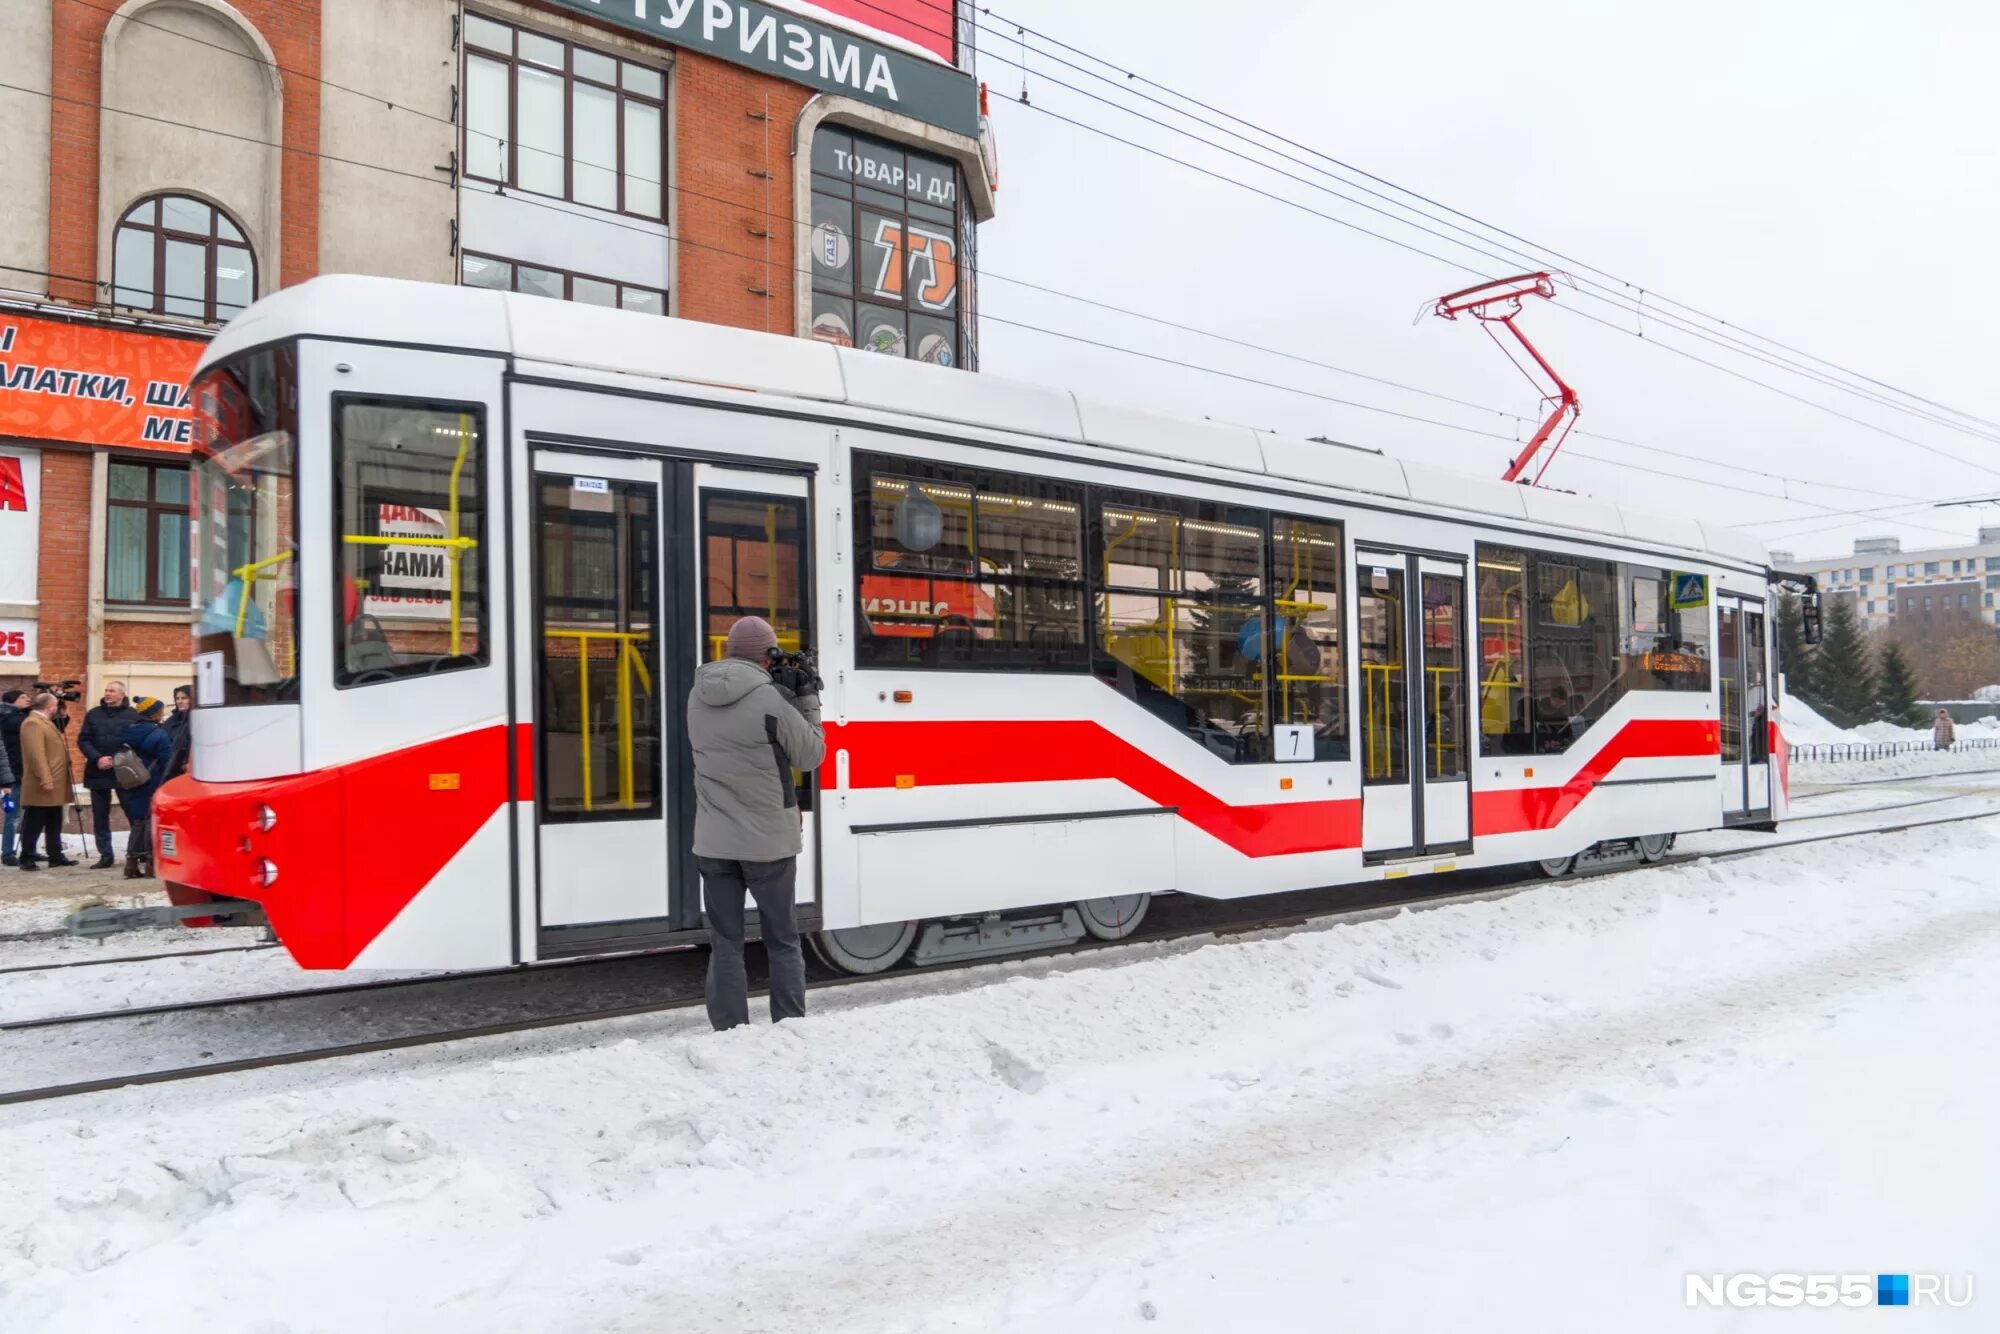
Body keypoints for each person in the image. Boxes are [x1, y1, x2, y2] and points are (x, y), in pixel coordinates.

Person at [685, 615, 826, 1032]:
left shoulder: (697, 695)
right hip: (768, 845)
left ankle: (728, 1030)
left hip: (713, 844)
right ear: (768, 655)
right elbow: (811, 755)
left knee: (725, 943)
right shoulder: (770, 701)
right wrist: (807, 700)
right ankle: (788, 1027)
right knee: (782, 941)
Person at [76, 680, 138, 869]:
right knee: (100, 815)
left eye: (112, 691)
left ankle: (136, 852)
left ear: (122, 694)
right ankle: (105, 855)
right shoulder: (94, 714)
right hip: (98, 770)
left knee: (133, 813)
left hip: (124, 770)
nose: (108, 694)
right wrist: (97, 758)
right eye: (106, 690)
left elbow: (136, 741)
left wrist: (116, 758)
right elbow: (84, 739)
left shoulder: (133, 715)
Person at [116, 697, 175, 879]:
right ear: (154, 713)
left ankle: (131, 863)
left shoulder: (128, 731)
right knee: (150, 821)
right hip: (153, 781)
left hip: (134, 781)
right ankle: (151, 863)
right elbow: (168, 761)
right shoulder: (159, 734)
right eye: (160, 710)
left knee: (138, 822)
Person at [18, 692, 76, 870]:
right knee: (34, 820)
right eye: (55, 704)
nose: (56, 707)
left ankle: (55, 855)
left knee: (54, 820)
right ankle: (27, 856)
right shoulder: (32, 723)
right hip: (43, 782)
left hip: (55, 781)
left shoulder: (44, 721)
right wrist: (45, 778)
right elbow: (36, 755)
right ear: (48, 706)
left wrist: (63, 715)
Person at [0, 689, 27, 865]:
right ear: (13, 701)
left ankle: (28, 849)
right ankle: (8, 852)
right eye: (23, 698)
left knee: (25, 814)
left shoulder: (20, 717)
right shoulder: (8, 718)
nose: (28, 700)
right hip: (12, 775)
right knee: (12, 814)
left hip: (23, 773)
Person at [161, 684, 194, 780]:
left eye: (184, 698)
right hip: (169, 767)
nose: (179, 701)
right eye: (177, 698)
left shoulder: (197, 719)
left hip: (186, 770)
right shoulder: (172, 719)